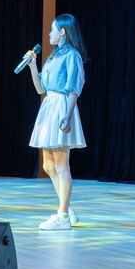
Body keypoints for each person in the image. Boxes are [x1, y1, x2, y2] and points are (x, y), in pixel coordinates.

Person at [23, 14, 88, 230]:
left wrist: (67, 115)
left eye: (52, 29)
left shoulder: (72, 56)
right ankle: (67, 209)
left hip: (62, 105)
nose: (49, 34)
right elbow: (40, 89)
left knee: (61, 165)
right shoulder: (53, 57)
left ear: (62, 32)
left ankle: (63, 216)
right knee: (48, 165)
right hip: (49, 105)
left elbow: (73, 88)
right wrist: (33, 66)